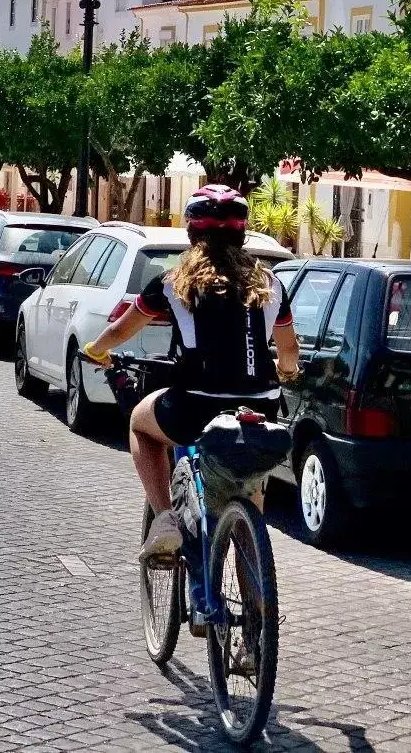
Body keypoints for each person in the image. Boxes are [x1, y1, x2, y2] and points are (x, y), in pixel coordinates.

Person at [82, 184, 300, 560]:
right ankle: (259, 602)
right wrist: (286, 371)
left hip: (194, 408)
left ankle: (165, 518)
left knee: (139, 423)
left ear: (192, 231)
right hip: (258, 408)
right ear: (241, 231)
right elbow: (289, 351)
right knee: (250, 487)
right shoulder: (270, 284)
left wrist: (97, 350)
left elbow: (121, 330)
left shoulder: (174, 281)